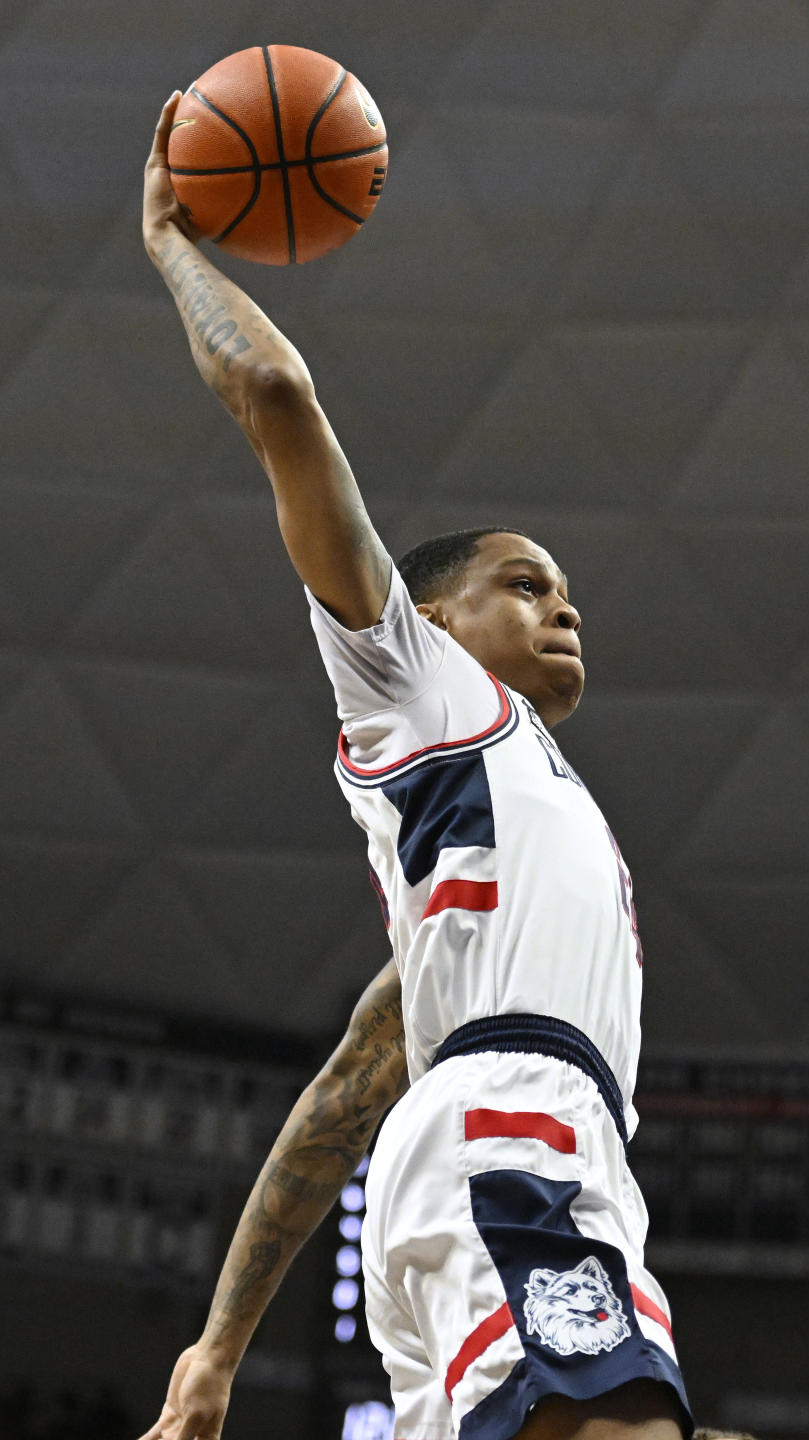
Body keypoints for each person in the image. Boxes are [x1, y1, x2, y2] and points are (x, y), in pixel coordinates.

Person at [140, 91, 694, 1440]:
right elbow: (275, 394)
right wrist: (170, 242)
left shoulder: (492, 837)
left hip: (513, 1155)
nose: (565, 608)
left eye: (566, 592)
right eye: (525, 582)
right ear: (432, 622)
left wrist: (216, 1351)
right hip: (515, 1141)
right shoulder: (421, 688)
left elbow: (344, 1091)